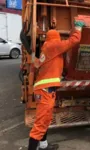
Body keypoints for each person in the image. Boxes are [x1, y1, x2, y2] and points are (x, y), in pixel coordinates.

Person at [27, 21, 84, 150]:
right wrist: (78, 29)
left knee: (46, 120)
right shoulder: (53, 45)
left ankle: (43, 145)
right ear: (56, 38)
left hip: (47, 90)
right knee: (40, 123)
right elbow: (73, 41)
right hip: (45, 91)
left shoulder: (46, 49)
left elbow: (37, 65)